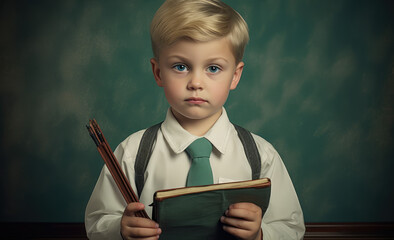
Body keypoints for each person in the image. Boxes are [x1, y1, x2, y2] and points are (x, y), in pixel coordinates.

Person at [85, 0, 305, 239]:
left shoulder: (261, 156)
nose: (196, 83)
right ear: (158, 72)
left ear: (235, 75)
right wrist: (119, 230)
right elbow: (98, 220)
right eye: (181, 66)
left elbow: (291, 227)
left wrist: (261, 234)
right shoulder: (132, 153)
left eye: (213, 68)